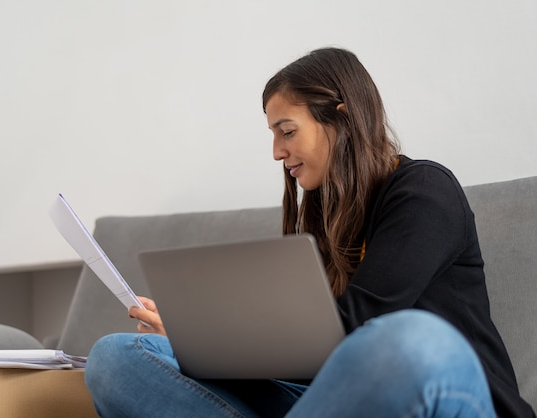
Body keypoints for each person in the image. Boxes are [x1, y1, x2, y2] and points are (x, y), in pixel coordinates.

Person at [85, 47, 535, 417]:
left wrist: (226, 342)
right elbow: (307, 353)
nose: (277, 151)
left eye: (287, 131)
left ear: (340, 118)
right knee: (117, 357)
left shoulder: (424, 192)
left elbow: (356, 328)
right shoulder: (321, 212)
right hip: (339, 401)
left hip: (447, 396)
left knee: (409, 340)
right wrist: (198, 342)